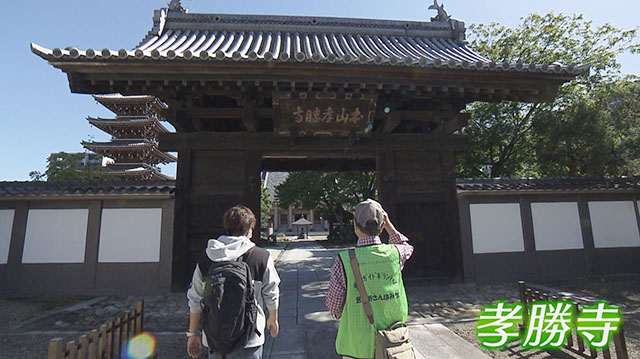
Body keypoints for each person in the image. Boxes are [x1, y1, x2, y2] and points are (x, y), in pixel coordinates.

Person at [187, 205, 281, 359]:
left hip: (214, 336)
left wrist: (192, 333)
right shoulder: (260, 257)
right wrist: (273, 318)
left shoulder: (207, 258)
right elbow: (271, 291)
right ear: (249, 230)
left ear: (226, 228)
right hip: (250, 337)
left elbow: (195, 298)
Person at [325, 199, 414, 359]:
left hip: (356, 347)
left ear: (355, 224)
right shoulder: (395, 254)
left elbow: (334, 308)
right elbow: (406, 246)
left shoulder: (344, 260)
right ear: (381, 225)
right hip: (393, 346)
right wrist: (390, 227)